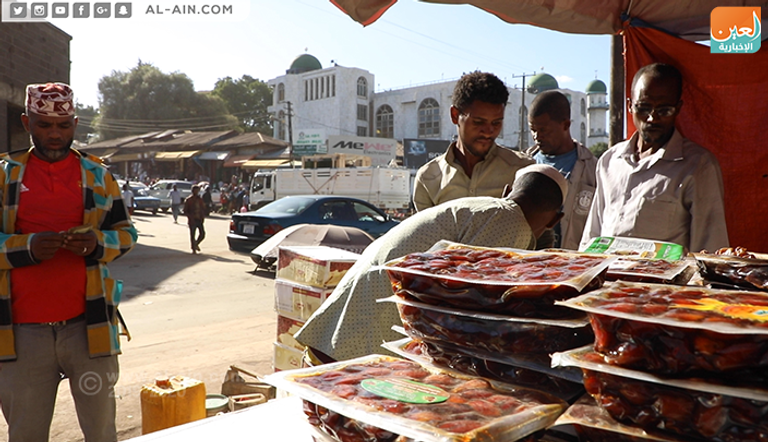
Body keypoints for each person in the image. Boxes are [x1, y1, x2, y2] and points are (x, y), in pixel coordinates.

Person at [294, 164, 567, 362]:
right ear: (555, 220)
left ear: (508, 190)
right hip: (356, 343)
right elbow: (473, 306)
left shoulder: (483, 208)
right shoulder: (510, 223)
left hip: (338, 333)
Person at [0, 82, 138, 442]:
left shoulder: (98, 174)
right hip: (20, 333)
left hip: (88, 327)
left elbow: (126, 234)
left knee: (102, 432)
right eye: (44, 125)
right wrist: (26, 247)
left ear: (75, 124)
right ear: (27, 122)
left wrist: (96, 243)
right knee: (25, 434)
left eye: (63, 126)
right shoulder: (4, 175)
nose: (55, 134)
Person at [581, 63, 729, 252]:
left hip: (665, 282)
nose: (653, 118)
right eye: (644, 108)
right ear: (630, 106)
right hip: (607, 279)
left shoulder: (698, 166)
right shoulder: (609, 161)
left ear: (678, 109)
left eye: (664, 110)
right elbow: (592, 236)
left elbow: (710, 246)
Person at [412, 71, 534, 212]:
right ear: (455, 115)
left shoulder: (523, 170)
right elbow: (423, 232)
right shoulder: (428, 178)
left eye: (496, 123)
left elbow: (541, 232)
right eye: (478, 122)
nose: (488, 131)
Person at [526, 90, 597, 250]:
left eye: (544, 130)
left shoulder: (592, 169)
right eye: (533, 129)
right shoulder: (523, 164)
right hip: (528, 263)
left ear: (565, 125)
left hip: (574, 262)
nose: (537, 136)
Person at [184, 184, 207, 254]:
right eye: (196, 191)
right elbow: (185, 211)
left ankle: (196, 243)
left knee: (202, 234)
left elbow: (203, 208)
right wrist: (190, 217)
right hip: (192, 220)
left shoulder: (199, 199)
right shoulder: (188, 200)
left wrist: (203, 216)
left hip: (199, 219)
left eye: (198, 191)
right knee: (192, 235)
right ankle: (193, 248)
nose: (197, 192)